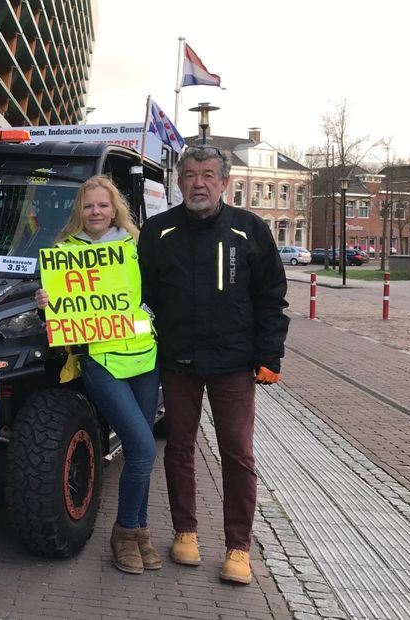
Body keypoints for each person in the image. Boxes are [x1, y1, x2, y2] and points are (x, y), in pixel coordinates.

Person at [138, 146, 289, 585]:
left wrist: (268, 356)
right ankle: (185, 532)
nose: (198, 183)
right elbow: (138, 295)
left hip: (234, 365)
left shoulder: (250, 230)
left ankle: (237, 547)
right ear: (178, 182)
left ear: (224, 183)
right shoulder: (158, 231)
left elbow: (271, 298)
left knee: (238, 454)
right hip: (178, 361)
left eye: (207, 175)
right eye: (189, 175)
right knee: (179, 449)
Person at [33, 175, 161, 574]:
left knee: (142, 451)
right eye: (88, 206)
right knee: (142, 448)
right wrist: (44, 304)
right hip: (99, 360)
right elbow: (57, 315)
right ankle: (124, 532)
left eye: (103, 205)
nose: (96, 212)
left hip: (143, 357)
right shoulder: (64, 252)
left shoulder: (136, 245)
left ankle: (139, 532)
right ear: (79, 211)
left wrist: (152, 314)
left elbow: (157, 291)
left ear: (114, 207)